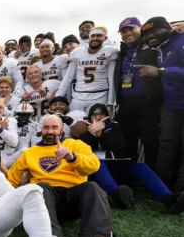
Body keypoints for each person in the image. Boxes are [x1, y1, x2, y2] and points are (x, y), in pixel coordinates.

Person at [8, 115, 121, 237]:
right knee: (40, 187)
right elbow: (11, 180)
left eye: (54, 127)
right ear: (41, 130)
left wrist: (71, 157)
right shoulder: (30, 153)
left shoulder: (75, 144)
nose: (50, 131)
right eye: (46, 127)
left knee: (93, 187)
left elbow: (94, 165)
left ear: (62, 129)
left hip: (74, 198)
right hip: (45, 201)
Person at [78, 104, 184, 213]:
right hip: (98, 174)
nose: (98, 118)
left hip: (117, 167)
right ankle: (117, 195)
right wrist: (92, 134)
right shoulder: (85, 132)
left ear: (107, 116)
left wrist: (101, 134)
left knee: (140, 166)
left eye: (101, 114)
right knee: (97, 161)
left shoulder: (115, 128)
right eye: (94, 115)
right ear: (90, 117)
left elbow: (120, 145)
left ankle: (168, 198)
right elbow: (82, 150)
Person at [138, 17, 184, 190]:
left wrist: (160, 71)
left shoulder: (181, 39)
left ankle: (180, 190)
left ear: (168, 28)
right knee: (166, 144)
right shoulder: (159, 48)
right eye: (146, 34)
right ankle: (159, 186)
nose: (149, 36)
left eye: (153, 30)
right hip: (171, 105)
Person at [113, 17, 162, 171]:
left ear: (141, 28)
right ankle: (129, 175)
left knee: (150, 141)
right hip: (126, 104)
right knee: (127, 141)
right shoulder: (121, 51)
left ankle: (150, 176)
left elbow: (167, 34)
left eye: (131, 29)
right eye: (123, 31)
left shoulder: (153, 45)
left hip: (148, 102)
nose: (127, 33)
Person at [57, 27, 119, 113]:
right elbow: (68, 78)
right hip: (78, 96)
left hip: (100, 95)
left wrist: (111, 102)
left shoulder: (110, 51)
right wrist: (58, 97)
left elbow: (112, 78)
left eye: (99, 36)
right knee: (75, 123)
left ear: (105, 38)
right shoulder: (77, 53)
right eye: (92, 36)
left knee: (98, 124)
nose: (95, 38)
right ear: (88, 38)